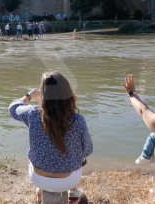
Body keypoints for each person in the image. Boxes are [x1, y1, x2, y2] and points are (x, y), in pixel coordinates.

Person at [9, 72, 93, 203]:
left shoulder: (32, 114)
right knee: (79, 157)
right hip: (68, 180)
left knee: (36, 154)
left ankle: (40, 191)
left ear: (43, 94)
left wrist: (29, 96)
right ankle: (73, 193)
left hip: (38, 178)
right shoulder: (78, 120)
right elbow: (88, 149)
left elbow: (13, 108)